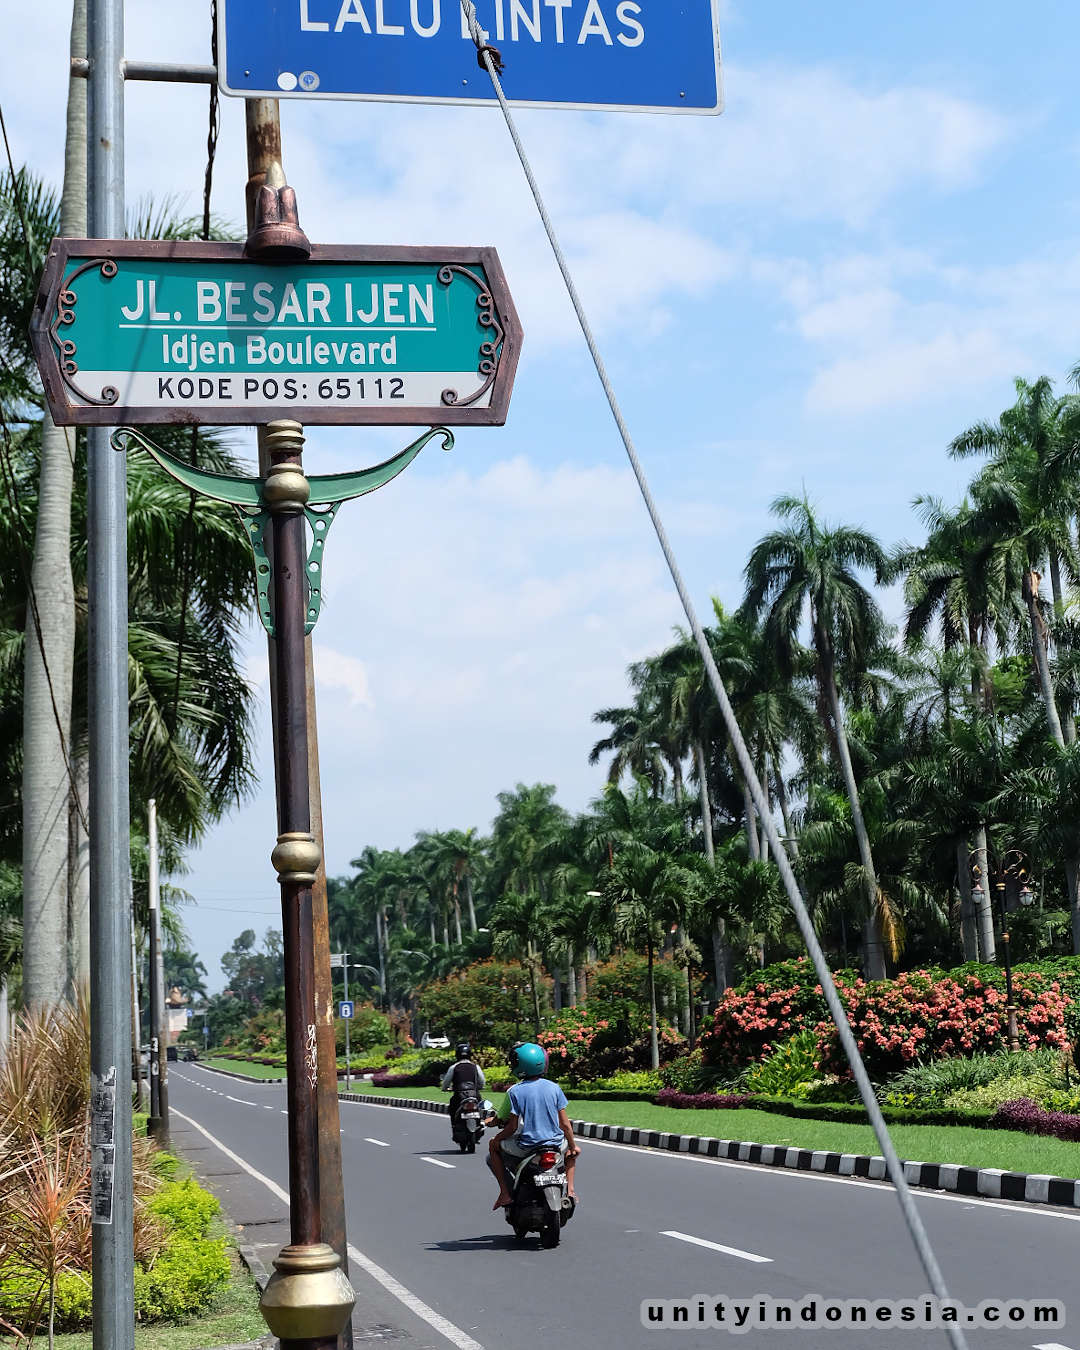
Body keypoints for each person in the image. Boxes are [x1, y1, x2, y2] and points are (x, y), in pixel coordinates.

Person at [488, 1041, 579, 1211]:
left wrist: (497, 1139)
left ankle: (505, 1193)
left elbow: (513, 1127)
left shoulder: (516, 1091)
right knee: (571, 1153)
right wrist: (573, 1146)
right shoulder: (554, 1088)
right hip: (555, 1144)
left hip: (528, 1146)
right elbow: (565, 1125)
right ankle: (571, 1190)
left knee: (492, 1147)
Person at [441, 1041, 485, 1133]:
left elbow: (446, 1082)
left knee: (453, 1107)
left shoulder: (454, 1067)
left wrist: (445, 1088)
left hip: (459, 1095)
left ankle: (454, 1125)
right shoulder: (475, 1067)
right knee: (480, 1105)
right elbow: (482, 1081)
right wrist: (480, 1087)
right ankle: (480, 1122)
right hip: (474, 1094)